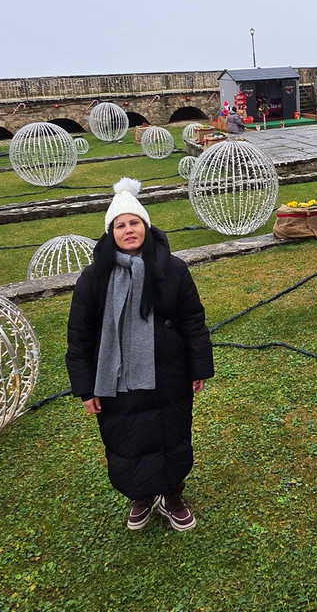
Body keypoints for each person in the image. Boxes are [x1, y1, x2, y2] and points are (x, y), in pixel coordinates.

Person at [66, 178, 214, 532]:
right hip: (116, 379)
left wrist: (198, 367)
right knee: (127, 438)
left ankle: (173, 495)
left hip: (168, 373)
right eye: (120, 225)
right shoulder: (94, 277)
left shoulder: (173, 269)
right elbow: (80, 335)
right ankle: (142, 495)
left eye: (134, 222)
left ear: (146, 226)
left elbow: (193, 321)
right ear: (110, 232)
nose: (128, 230)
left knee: (171, 434)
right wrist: (86, 388)